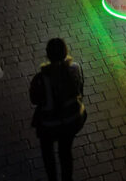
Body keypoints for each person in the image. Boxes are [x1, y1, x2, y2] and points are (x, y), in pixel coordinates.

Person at [30, 37, 86, 181]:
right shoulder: (76, 69)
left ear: (48, 55)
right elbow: (81, 91)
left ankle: (52, 177)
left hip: (50, 125)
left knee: (48, 152)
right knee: (65, 151)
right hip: (73, 120)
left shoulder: (41, 78)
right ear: (66, 52)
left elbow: (34, 100)